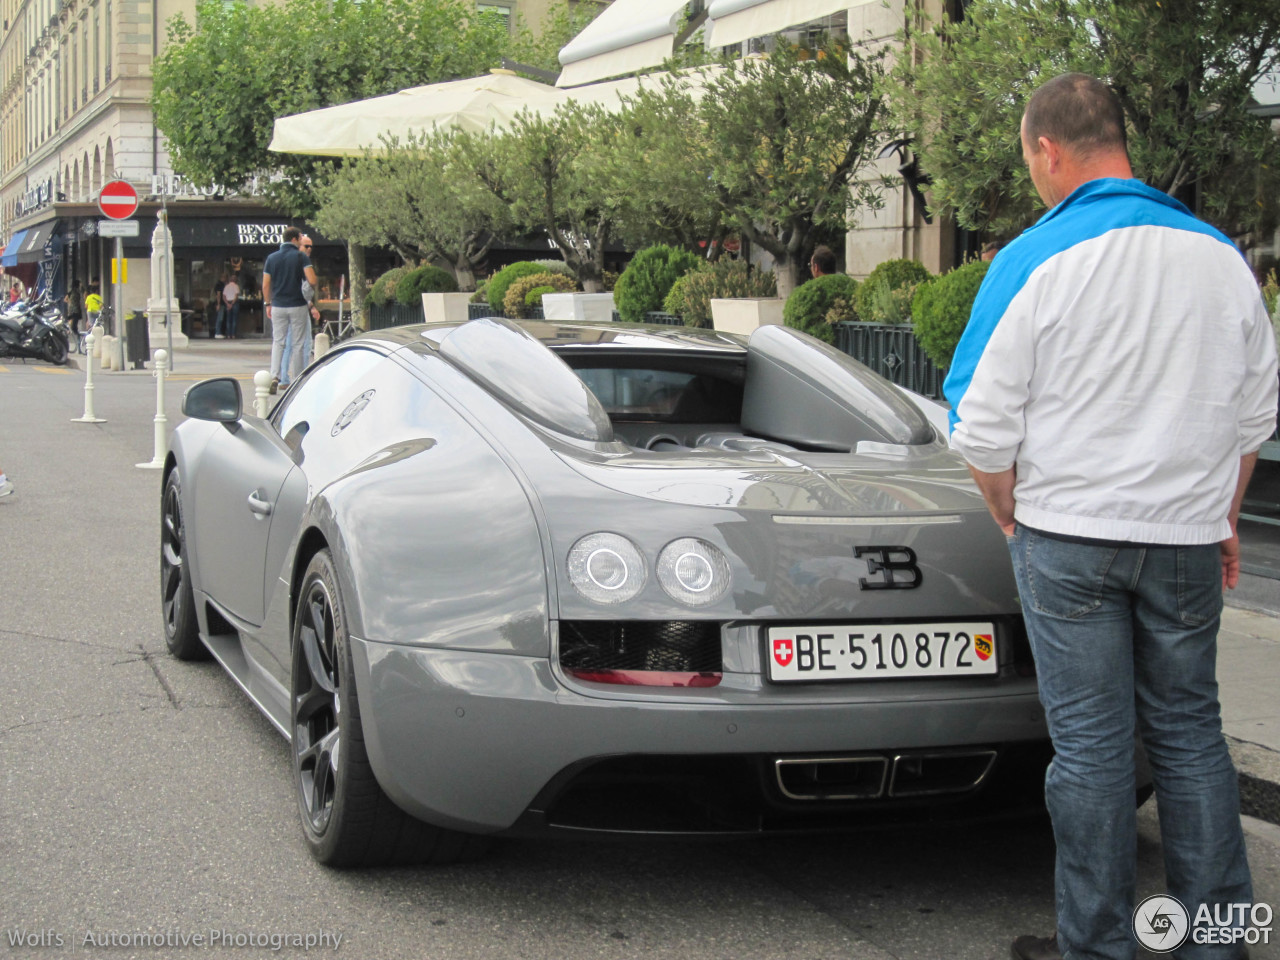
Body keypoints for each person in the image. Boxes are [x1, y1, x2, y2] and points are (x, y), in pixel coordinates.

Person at [944, 73, 1276, 960]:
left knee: (1090, 753)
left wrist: (1008, 509)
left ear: (1048, 149)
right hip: (1186, 542)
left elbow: (979, 421)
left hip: (1069, 536)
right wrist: (1225, 514)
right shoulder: (1222, 258)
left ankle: (1095, 944)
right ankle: (1219, 942)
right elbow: (1254, 418)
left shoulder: (1033, 258)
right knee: (1193, 736)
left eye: (1030, 162)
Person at [262, 226, 318, 394]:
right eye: (300, 238)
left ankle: (275, 376)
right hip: (297, 304)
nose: (302, 241)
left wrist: (268, 303)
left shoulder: (272, 258)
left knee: (278, 341)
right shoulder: (301, 257)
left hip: (278, 305)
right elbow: (312, 279)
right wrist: (308, 287)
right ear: (294, 239)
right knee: (299, 343)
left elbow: (265, 284)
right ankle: (298, 379)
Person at [279, 235, 321, 388]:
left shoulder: (290, 261)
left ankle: (285, 378)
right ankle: (298, 378)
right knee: (300, 344)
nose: (309, 249)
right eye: (306, 246)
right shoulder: (301, 262)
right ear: (298, 245)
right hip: (298, 308)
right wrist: (310, 306)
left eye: (311, 246)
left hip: (289, 306)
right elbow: (304, 289)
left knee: (291, 344)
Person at [63, 280, 84, 349]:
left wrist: (70, 303)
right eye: (80, 283)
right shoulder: (77, 291)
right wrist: (72, 303)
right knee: (74, 326)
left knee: (72, 322)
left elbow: (65, 299)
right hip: (75, 310)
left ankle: (69, 332)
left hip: (71, 310)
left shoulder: (71, 292)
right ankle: (76, 338)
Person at [221, 273, 240, 339]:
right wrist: (232, 304)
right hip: (234, 303)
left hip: (228, 302)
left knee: (228, 319)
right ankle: (233, 335)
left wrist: (227, 304)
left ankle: (228, 335)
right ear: (236, 280)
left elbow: (223, 296)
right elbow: (236, 296)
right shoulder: (236, 286)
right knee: (234, 319)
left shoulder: (226, 286)